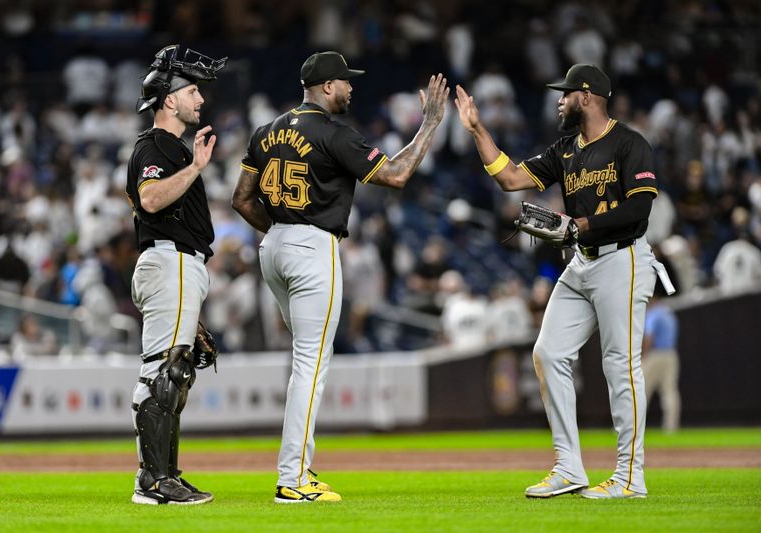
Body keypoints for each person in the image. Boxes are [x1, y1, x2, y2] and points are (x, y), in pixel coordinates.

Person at [232, 51, 448, 503]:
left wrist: (279, 233)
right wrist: (429, 123)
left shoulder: (266, 131)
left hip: (272, 248)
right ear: (327, 87)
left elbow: (242, 200)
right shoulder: (333, 133)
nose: (351, 88)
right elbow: (397, 173)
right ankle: (293, 478)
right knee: (311, 365)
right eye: (346, 82)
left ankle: (295, 472)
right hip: (312, 246)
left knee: (303, 362)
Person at [456, 64, 670, 499]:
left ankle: (630, 476)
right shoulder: (565, 150)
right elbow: (511, 179)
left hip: (623, 258)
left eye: (566, 93)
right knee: (548, 352)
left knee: (620, 367)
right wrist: (478, 131)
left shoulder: (629, 143)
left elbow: (639, 211)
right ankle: (569, 466)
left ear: (587, 96)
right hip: (582, 262)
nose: (559, 99)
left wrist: (579, 225)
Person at [126, 44, 226, 506]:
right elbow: (150, 199)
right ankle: (152, 482)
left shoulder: (171, 147)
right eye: (192, 90)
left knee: (177, 373)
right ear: (169, 99)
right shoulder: (155, 145)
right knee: (162, 375)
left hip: (180, 265)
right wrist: (197, 167)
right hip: (171, 260)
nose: (199, 99)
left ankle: (166, 475)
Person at [642, 281, 680, 433]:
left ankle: (632, 427)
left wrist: (642, 355)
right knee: (669, 391)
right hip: (670, 354)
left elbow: (649, 337)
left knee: (641, 391)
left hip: (655, 355)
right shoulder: (668, 312)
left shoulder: (654, 313)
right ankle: (671, 427)